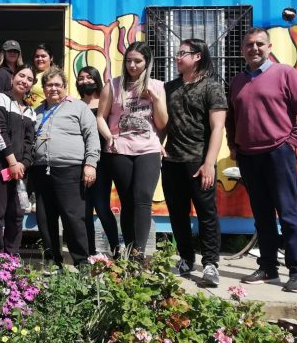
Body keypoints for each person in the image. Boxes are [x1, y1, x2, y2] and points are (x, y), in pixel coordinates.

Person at [226, 27, 297, 293]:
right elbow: (232, 118)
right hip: (249, 157)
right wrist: (234, 145)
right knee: (262, 216)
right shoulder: (237, 81)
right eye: (249, 44)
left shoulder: (285, 73)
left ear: (269, 47)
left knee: (288, 215)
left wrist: (291, 143)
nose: (254, 49)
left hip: (279, 153)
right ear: (243, 49)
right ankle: (268, 267)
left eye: (259, 44)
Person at [162, 39, 227, 286]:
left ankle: (210, 264)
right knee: (177, 214)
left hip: (199, 162)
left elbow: (218, 126)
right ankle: (186, 259)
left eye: (182, 53)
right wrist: (159, 144)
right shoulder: (170, 87)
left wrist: (209, 162)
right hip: (172, 161)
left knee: (206, 214)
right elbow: (164, 123)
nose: (177, 57)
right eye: (176, 53)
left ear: (197, 56)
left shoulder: (212, 86)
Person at [97, 41, 167, 258]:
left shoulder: (157, 86)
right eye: (129, 61)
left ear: (147, 62)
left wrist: (155, 100)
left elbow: (163, 123)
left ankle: (139, 252)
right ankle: (129, 249)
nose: (133, 66)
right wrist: (109, 137)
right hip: (120, 150)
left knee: (143, 198)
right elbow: (101, 116)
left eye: (138, 61)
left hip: (148, 150)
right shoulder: (113, 85)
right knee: (127, 201)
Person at [32, 67, 99, 267]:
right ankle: (53, 262)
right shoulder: (37, 111)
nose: (53, 89)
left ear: (65, 87)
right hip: (41, 170)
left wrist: (90, 164)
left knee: (73, 217)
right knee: (45, 218)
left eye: (57, 85)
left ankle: (81, 262)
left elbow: (92, 136)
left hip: (70, 169)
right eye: (49, 85)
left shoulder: (78, 107)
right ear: (43, 88)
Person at [0, 65, 36, 255]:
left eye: (29, 79)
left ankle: (11, 256)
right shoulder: (1, 99)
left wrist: (23, 164)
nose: (24, 81)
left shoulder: (30, 111)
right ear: (13, 77)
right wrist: (12, 162)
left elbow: (31, 143)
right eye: (21, 76)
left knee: (17, 214)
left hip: (20, 171)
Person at [75, 66, 121, 257]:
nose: (85, 81)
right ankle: (89, 253)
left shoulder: (105, 104)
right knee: (84, 211)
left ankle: (117, 249)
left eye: (89, 77)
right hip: (78, 163)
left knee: (102, 207)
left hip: (101, 163)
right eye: (81, 78)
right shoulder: (75, 105)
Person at [27, 43, 54, 108]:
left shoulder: (54, 76)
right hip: (28, 115)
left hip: (45, 115)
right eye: (37, 56)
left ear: (51, 58)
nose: (39, 59)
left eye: (43, 56)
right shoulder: (30, 74)